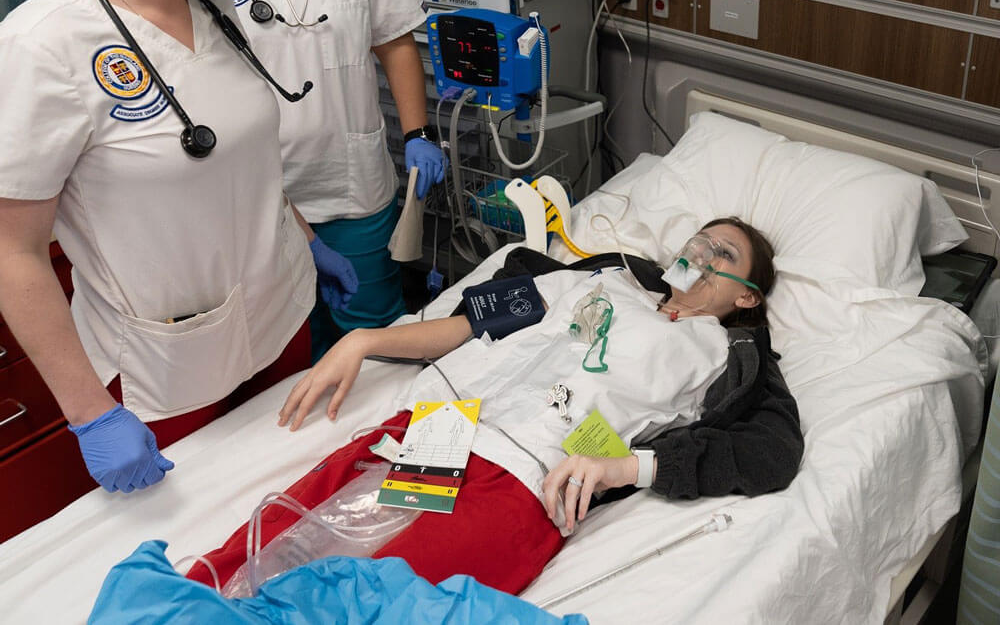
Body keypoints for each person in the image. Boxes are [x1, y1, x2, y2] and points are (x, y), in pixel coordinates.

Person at [0, 0, 354, 497]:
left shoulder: (216, 1)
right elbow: (12, 251)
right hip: (166, 378)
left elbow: (238, 152)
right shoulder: (40, 48)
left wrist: (303, 238)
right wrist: (90, 413)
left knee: (302, 516)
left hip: (281, 327)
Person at [192, 218, 803, 594]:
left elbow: (769, 453)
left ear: (748, 298)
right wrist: (365, 340)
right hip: (445, 429)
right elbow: (469, 325)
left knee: (390, 594)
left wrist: (628, 468)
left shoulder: (731, 357)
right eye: (701, 240)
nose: (703, 254)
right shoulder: (593, 281)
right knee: (285, 546)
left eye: (724, 256)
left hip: (535, 474)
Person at [221, 0, 448, 359]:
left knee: (376, 346)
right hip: (262, 199)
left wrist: (418, 132)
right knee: (286, 355)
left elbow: (394, 41)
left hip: (351, 188)